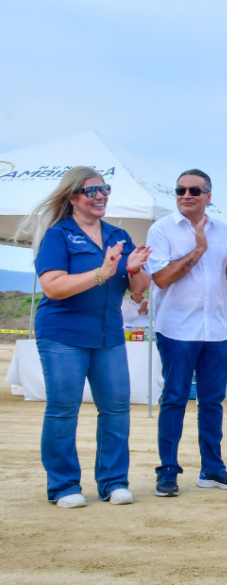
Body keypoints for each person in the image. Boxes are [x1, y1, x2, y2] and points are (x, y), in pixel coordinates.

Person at [15, 166, 151, 508]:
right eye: (91, 191)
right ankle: (63, 486)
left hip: (108, 334)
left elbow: (139, 288)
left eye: (105, 189)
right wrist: (102, 272)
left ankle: (113, 482)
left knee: (116, 408)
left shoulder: (119, 235)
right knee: (63, 409)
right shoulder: (58, 235)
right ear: (72, 197)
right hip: (63, 334)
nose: (100, 195)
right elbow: (53, 287)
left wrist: (133, 269)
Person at [146, 169, 227, 497]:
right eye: (180, 190)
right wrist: (198, 249)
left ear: (208, 196)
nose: (186, 195)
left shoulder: (223, 229)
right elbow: (161, 278)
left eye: (194, 190)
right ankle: (168, 471)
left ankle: (212, 469)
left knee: (212, 402)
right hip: (176, 329)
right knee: (174, 399)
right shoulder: (161, 230)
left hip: (214, 329)